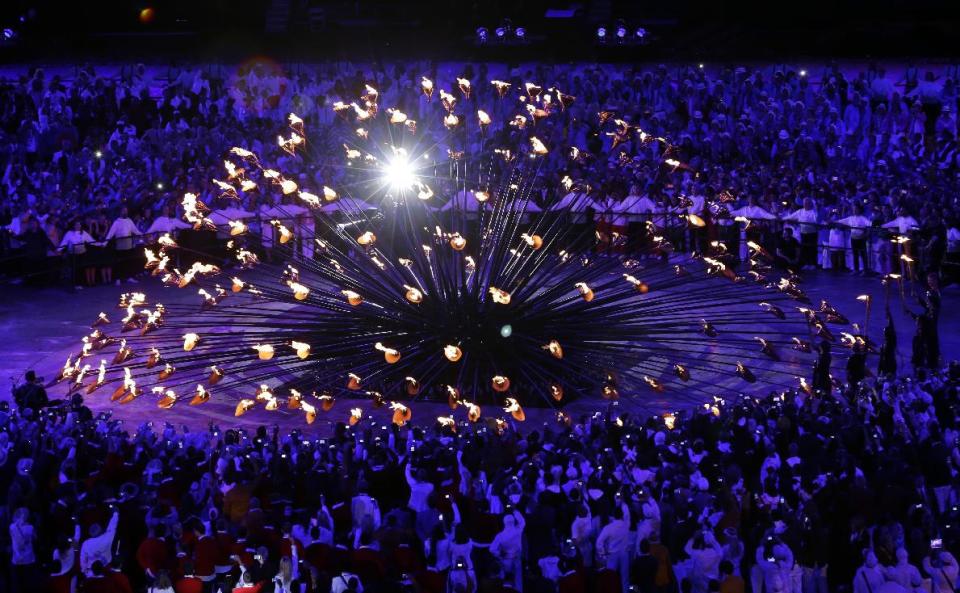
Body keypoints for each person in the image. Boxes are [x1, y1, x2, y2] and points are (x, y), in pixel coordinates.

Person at [10, 507, 38, 591]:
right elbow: (35, 538)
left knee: (19, 580)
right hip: (28, 557)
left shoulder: (11, 527)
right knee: (28, 580)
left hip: (17, 557)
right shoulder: (31, 527)